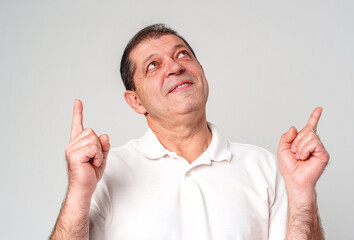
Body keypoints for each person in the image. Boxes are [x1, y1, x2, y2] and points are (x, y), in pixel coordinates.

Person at [50, 24, 329, 240]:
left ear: (201, 72)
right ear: (135, 101)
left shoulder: (263, 166)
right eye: (153, 65)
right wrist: (79, 190)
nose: (175, 67)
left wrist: (302, 192)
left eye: (182, 54)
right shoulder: (108, 173)